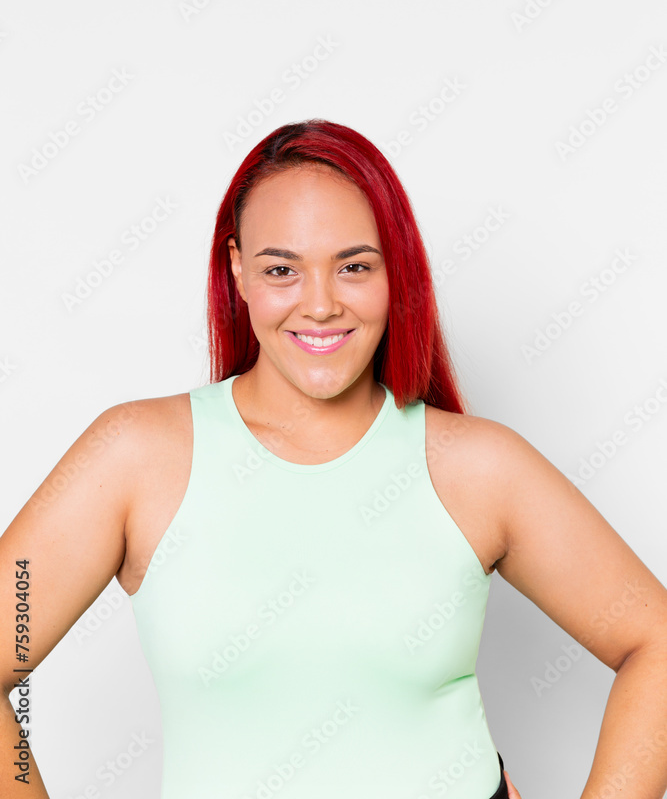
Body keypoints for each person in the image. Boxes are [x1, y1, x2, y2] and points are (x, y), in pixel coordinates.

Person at [1, 119, 666, 799]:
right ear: (237, 271)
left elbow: (656, 644)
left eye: (353, 266)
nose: (320, 306)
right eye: (281, 270)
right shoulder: (134, 457)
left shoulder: (478, 468)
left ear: (394, 270)